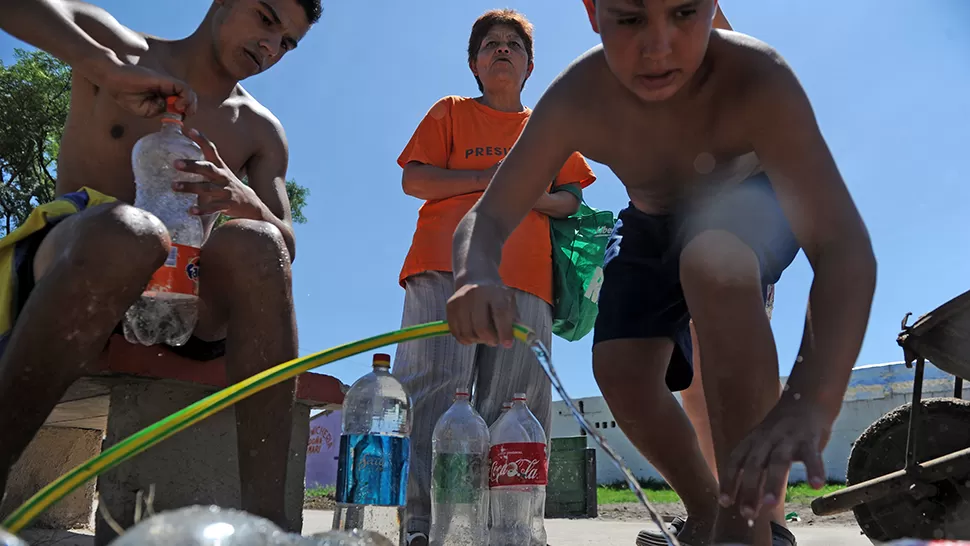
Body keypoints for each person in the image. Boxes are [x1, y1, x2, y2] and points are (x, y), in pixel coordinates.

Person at [445, 1, 877, 545]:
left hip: (745, 200)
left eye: (684, 12)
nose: (658, 47)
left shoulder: (757, 77)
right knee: (619, 368)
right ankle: (703, 515)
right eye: (628, 18)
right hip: (651, 222)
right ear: (592, 10)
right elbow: (487, 214)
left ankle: (749, 529)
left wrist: (812, 395)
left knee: (711, 262)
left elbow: (843, 249)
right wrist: (474, 272)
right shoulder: (578, 96)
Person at [0, 0, 320, 532]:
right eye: (266, 19)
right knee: (132, 231)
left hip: (184, 296)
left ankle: (270, 528)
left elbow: (285, 242)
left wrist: (246, 200)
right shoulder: (122, 50)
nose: (271, 47)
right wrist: (102, 68)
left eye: (287, 42)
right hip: (82, 269)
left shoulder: (261, 130)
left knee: (259, 242)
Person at [391, 9, 596, 546]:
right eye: (491, 45)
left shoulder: (547, 127)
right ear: (475, 64)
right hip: (443, 270)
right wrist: (496, 178)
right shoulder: (451, 112)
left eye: (514, 45)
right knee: (434, 394)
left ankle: (506, 529)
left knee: (516, 405)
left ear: (529, 67)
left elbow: (573, 197)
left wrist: (527, 193)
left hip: (528, 280)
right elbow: (415, 179)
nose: (502, 49)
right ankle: (424, 527)